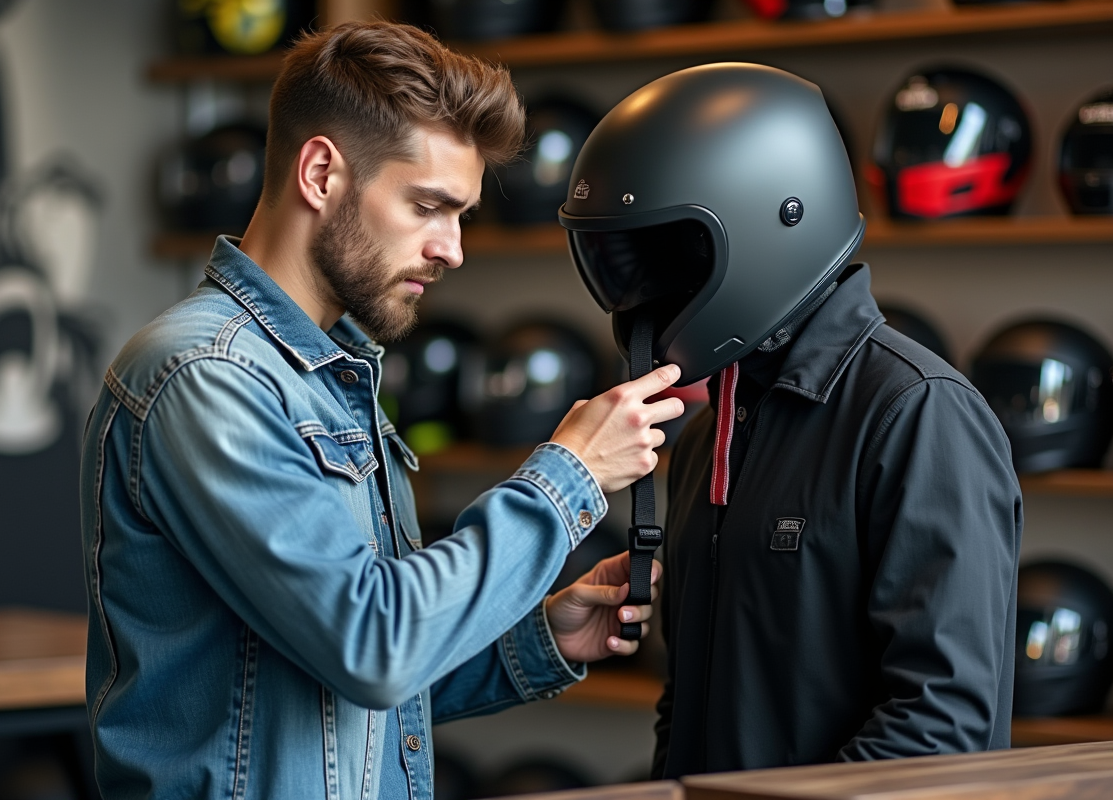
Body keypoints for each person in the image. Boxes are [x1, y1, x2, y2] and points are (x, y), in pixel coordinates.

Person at [79, 21, 684, 800]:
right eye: (429, 206)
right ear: (323, 173)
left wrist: (536, 637)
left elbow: (334, 693)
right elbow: (374, 646)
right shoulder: (207, 376)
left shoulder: (329, 373)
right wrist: (571, 476)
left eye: (460, 215)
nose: (453, 248)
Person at [556, 63, 1023, 775]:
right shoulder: (712, 431)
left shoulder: (916, 413)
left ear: (781, 215)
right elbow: (688, 702)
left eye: (671, 255)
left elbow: (940, 726)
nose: (647, 297)